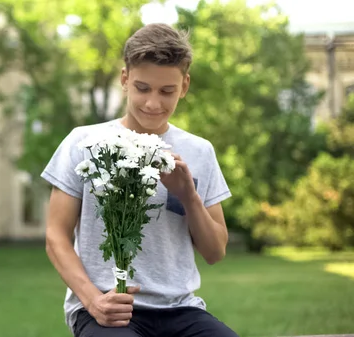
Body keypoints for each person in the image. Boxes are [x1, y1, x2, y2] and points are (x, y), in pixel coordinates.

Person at [40, 23, 239, 337]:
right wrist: (93, 301)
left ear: (184, 86)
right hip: (108, 307)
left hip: (180, 309)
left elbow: (215, 252)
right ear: (125, 79)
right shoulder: (84, 142)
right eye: (142, 88)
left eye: (167, 91)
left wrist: (188, 196)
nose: (153, 103)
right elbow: (56, 236)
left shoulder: (199, 152)